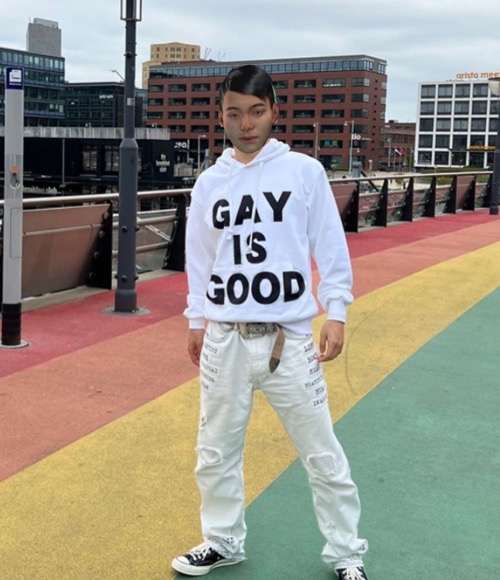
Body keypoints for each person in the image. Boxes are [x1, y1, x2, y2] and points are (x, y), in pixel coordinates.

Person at [172, 64, 369, 580]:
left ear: (274, 112)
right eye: (234, 113)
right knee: (215, 451)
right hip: (225, 338)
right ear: (220, 116)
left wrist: (337, 311)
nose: (246, 124)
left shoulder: (303, 172)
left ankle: (346, 552)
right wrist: (196, 319)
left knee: (321, 451)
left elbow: (330, 246)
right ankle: (222, 541)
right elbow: (199, 259)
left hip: (290, 338)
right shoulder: (209, 183)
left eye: (256, 111)